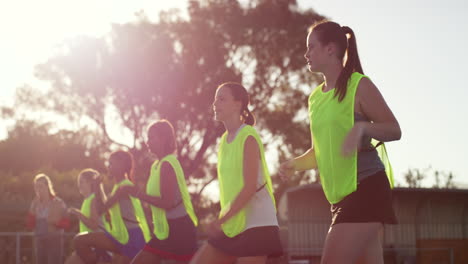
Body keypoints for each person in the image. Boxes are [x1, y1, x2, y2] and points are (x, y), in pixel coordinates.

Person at [279, 20, 401, 264]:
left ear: (330, 49)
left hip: (367, 188)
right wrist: (294, 164)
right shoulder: (315, 99)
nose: (306, 54)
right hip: (340, 197)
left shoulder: (359, 85)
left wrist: (362, 128)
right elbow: (318, 153)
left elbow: (394, 130)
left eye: (311, 47)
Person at [190, 82, 282, 264]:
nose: (215, 103)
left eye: (222, 99)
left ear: (238, 104)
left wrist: (220, 219)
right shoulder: (223, 141)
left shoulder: (248, 136)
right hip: (233, 223)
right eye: (215, 99)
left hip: (257, 223)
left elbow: (249, 188)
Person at [118, 120, 198, 264]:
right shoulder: (156, 166)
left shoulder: (168, 164)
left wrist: (138, 194)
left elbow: (167, 203)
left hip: (180, 231)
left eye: (151, 137)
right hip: (165, 231)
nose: (147, 142)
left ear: (164, 139)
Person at [73, 151, 151, 264]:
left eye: (111, 164)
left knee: (79, 240)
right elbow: (101, 208)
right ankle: (101, 258)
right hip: (119, 235)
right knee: (79, 240)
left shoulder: (124, 187)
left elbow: (101, 209)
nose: (108, 167)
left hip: (132, 237)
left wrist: (96, 188)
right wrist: (97, 188)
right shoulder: (117, 187)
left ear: (122, 166)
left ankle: (102, 258)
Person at [65, 169, 111, 264]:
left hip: (98, 247)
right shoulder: (87, 200)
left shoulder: (93, 200)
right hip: (88, 245)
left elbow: (94, 225)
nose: (79, 185)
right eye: (78, 182)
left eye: (81, 182)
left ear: (90, 183)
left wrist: (78, 213)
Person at [27, 173, 69, 264]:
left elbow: (67, 223)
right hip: (39, 239)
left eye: (40, 186)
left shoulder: (59, 202)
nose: (38, 190)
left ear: (47, 186)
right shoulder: (34, 203)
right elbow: (30, 225)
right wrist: (32, 217)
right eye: (36, 187)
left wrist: (56, 222)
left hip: (55, 239)